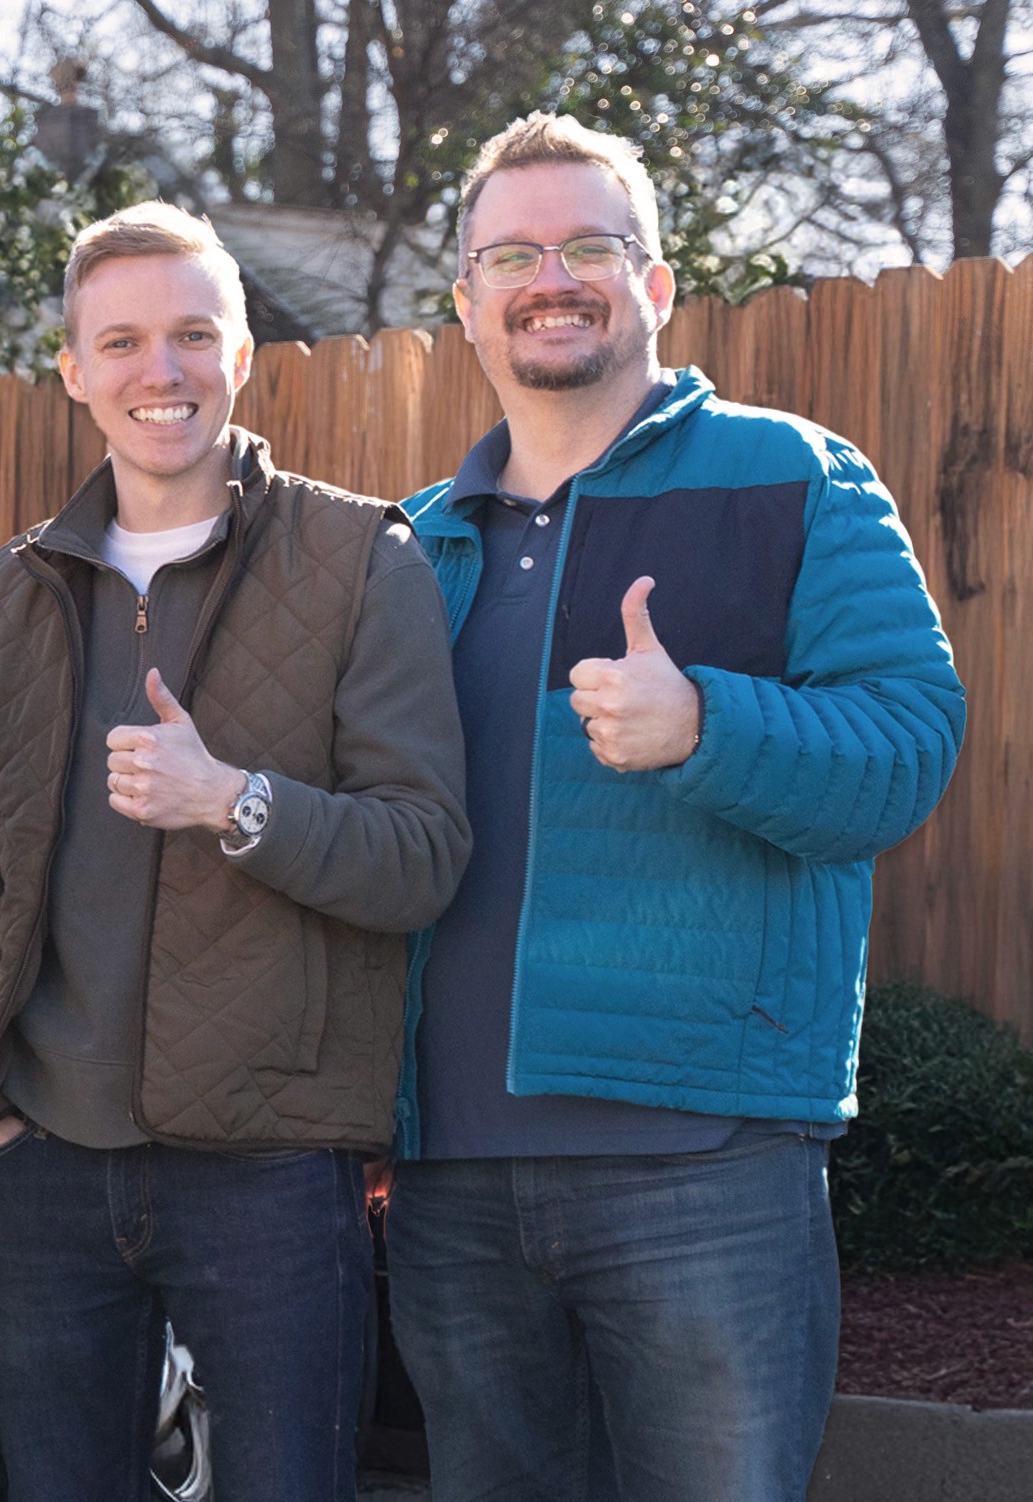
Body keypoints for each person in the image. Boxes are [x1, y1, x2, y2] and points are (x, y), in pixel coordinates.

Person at [388, 112, 966, 1502]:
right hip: (445, 1178)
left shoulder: (793, 479)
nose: (551, 275)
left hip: (698, 1168)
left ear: (653, 285)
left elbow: (905, 747)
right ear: (465, 299)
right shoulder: (412, 543)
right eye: (512, 251)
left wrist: (707, 723)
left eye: (591, 245)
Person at [0, 202, 470, 1501]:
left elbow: (424, 855)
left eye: (188, 335)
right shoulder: (16, 590)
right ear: (70, 371)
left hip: (271, 1172)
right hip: (42, 1161)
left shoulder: (359, 558)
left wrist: (233, 799)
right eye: (118, 341)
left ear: (243, 357)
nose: (155, 372)